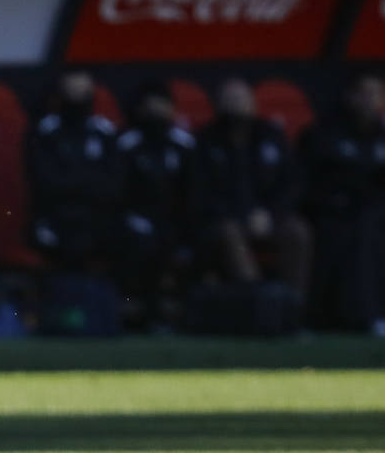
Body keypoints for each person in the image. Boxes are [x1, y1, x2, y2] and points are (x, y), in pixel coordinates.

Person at [191, 77, 312, 302]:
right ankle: (257, 301)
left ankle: (293, 304)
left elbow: (291, 183)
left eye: (241, 98)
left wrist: (270, 214)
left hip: (270, 216)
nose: (236, 104)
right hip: (227, 218)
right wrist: (242, 215)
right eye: (230, 99)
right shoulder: (206, 140)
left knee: (298, 231)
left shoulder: (271, 136)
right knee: (229, 234)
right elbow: (201, 191)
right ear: (218, 104)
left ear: (253, 103)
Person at [299, 74, 385, 334]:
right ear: (350, 97)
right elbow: (311, 180)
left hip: (377, 212)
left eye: (376, 94)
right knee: (359, 232)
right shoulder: (325, 132)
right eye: (364, 93)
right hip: (335, 212)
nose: (369, 100)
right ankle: (363, 316)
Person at [114, 80, 196, 329]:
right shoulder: (126, 143)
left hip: (176, 223)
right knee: (140, 241)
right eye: (151, 106)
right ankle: (144, 316)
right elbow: (116, 193)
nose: (156, 112)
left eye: (162, 106)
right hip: (136, 221)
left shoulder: (184, 144)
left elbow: (194, 192)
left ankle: (188, 317)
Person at [27, 70, 124, 273]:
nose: (78, 95)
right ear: (61, 94)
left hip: (95, 215)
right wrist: (88, 181)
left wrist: (78, 183)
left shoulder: (104, 131)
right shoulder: (44, 132)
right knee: (67, 244)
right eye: (73, 90)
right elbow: (45, 182)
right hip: (56, 217)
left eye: (83, 89)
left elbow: (114, 182)